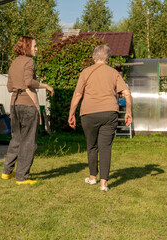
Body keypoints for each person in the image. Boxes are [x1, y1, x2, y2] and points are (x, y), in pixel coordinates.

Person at [68, 45, 132, 192]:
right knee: (105, 148)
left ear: (94, 57)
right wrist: (128, 111)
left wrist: (71, 113)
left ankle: (92, 178)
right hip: (109, 113)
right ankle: (104, 184)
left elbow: (78, 94)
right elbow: (127, 94)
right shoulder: (114, 73)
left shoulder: (85, 72)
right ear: (108, 58)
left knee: (92, 146)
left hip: (88, 114)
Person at [1, 36, 54, 185]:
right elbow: (28, 82)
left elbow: (10, 87)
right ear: (27, 47)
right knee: (29, 142)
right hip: (27, 105)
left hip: (15, 104)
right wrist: (46, 86)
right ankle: (22, 177)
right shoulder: (29, 61)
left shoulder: (14, 63)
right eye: (34, 46)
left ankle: (7, 172)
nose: (37, 49)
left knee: (16, 138)